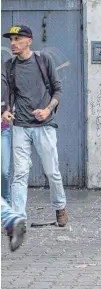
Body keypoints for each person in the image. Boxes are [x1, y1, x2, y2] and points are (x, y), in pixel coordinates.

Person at [1, 25, 68, 226]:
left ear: (29, 41)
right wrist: (5, 110)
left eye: (17, 39)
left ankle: (60, 206)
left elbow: (58, 90)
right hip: (20, 126)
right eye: (11, 40)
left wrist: (47, 110)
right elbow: (6, 93)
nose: (13, 43)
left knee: (51, 172)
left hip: (44, 126)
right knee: (20, 174)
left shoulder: (43, 60)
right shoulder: (9, 66)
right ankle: (18, 217)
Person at [1, 68, 11, 203]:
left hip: (3, 131)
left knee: (4, 171)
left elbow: (10, 102)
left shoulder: (3, 81)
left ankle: (5, 205)